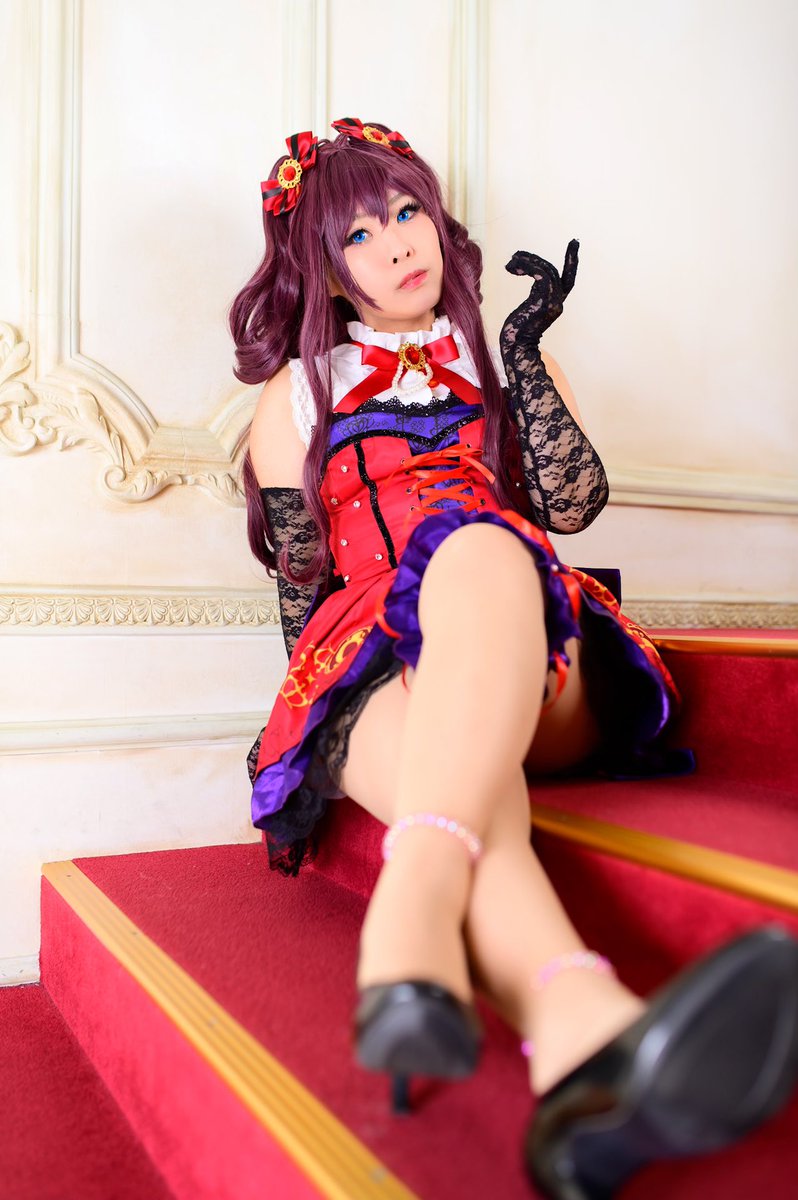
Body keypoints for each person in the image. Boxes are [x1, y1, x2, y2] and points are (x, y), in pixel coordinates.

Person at [230, 119, 798, 1198]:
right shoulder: (295, 397)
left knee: (477, 544)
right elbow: (303, 599)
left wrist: (524, 354)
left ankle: (412, 913)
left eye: (408, 211)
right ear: (329, 273)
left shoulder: (497, 362)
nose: (399, 242)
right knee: (432, 736)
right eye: (360, 235)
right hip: (373, 667)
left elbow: (572, 509)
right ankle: (585, 1038)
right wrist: (313, 722)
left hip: (524, 651)